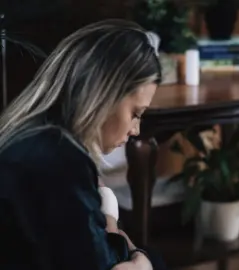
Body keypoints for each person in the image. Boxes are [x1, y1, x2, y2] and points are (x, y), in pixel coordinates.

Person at [0, 20, 167, 270]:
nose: (136, 130)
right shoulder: (59, 160)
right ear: (106, 94)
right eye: (136, 113)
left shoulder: (30, 139)